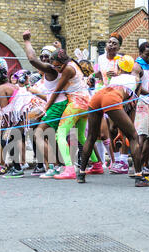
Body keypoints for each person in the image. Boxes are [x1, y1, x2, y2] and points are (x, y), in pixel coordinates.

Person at [78, 55, 149, 187]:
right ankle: (139, 177)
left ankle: (81, 174)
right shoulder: (135, 79)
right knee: (133, 136)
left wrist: (119, 129)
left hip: (98, 96)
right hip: (113, 98)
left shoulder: (114, 78)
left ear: (119, 68)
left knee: (91, 137)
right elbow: (131, 107)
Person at [43, 48, 101, 180]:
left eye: (57, 66)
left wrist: (47, 107)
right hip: (86, 103)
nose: (55, 69)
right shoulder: (72, 64)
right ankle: (97, 165)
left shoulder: (68, 69)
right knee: (81, 135)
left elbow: (57, 90)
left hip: (76, 104)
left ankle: (69, 169)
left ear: (62, 62)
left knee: (60, 134)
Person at [22, 30, 68, 177]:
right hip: (58, 104)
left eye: (46, 56)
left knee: (39, 134)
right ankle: (57, 166)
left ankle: (55, 166)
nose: (43, 58)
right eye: (42, 56)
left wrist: (27, 41)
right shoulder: (57, 69)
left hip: (57, 105)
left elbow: (32, 59)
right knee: (48, 136)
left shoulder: (51, 69)